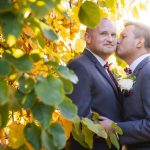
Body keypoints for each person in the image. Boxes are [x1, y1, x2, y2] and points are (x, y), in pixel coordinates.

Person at [67, 18, 122, 150]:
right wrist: (113, 129)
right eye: (104, 34)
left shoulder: (104, 67)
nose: (110, 39)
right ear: (88, 37)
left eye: (113, 35)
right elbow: (79, 118)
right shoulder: (80, 66)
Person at [100, 22, 150, 150]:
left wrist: (114, 127)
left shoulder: (148, 71)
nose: (117, 41)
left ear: (139, 42)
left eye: (123, 36)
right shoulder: (138, 72)